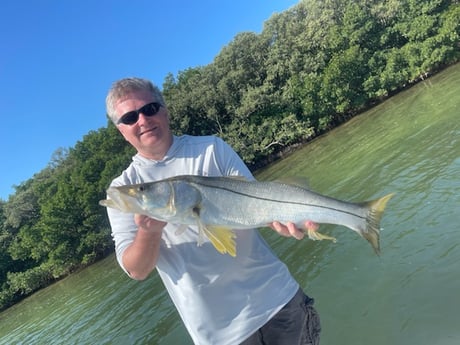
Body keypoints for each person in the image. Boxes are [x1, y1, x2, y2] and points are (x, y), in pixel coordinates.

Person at [104, 77, 321, 345]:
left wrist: (286, 220)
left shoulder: (211, 148)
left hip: (279, 302)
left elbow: (256, 204)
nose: (143, 120)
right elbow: (136, 270)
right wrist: (149, 233)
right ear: (120, 129)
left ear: (164, 110)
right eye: (129, 117)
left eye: (149, 109)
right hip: (222, 336)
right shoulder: (123, 190)